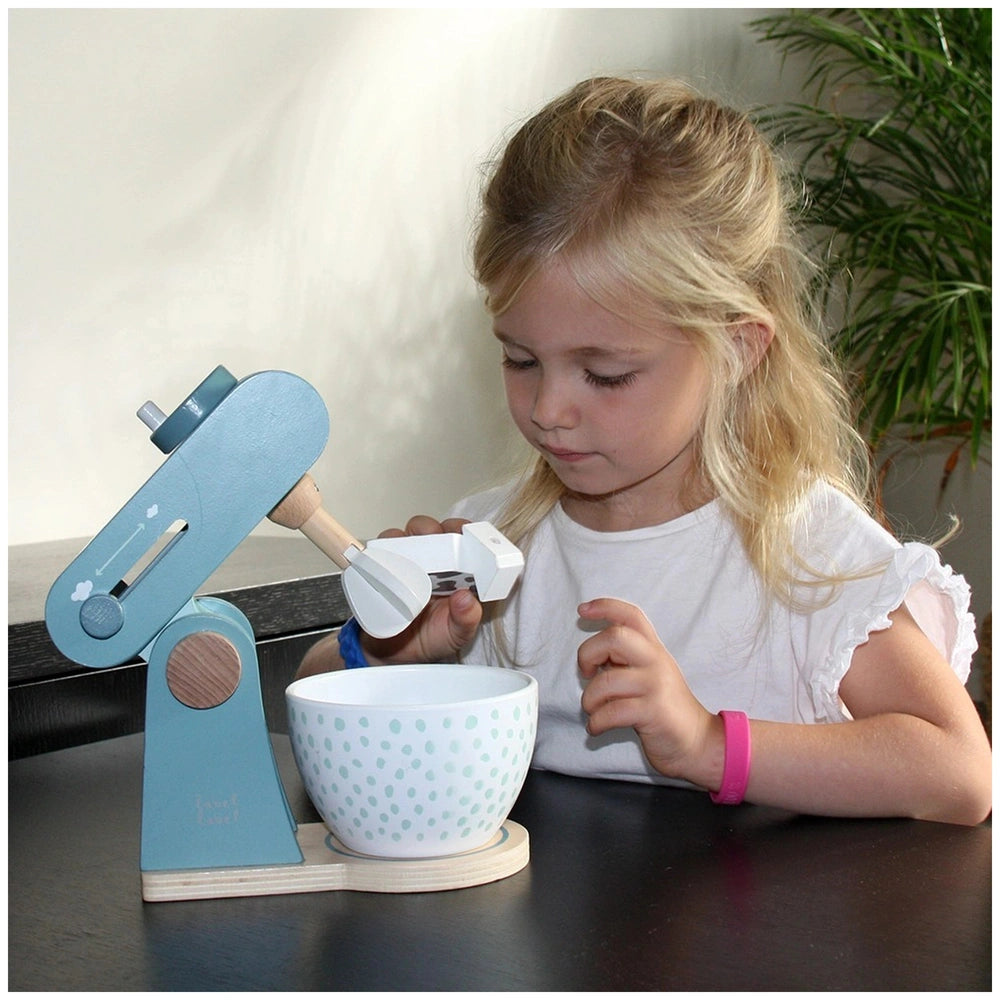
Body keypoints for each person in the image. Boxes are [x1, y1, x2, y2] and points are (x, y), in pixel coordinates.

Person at [299, 77, 991, 825]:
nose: (547, 409)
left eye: (606, 373)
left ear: (735, 349)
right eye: (521, 359)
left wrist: (705, 745)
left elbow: (957, 773)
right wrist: (390, 651)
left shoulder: (809, 559)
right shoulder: (499, 548)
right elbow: (307, 699)